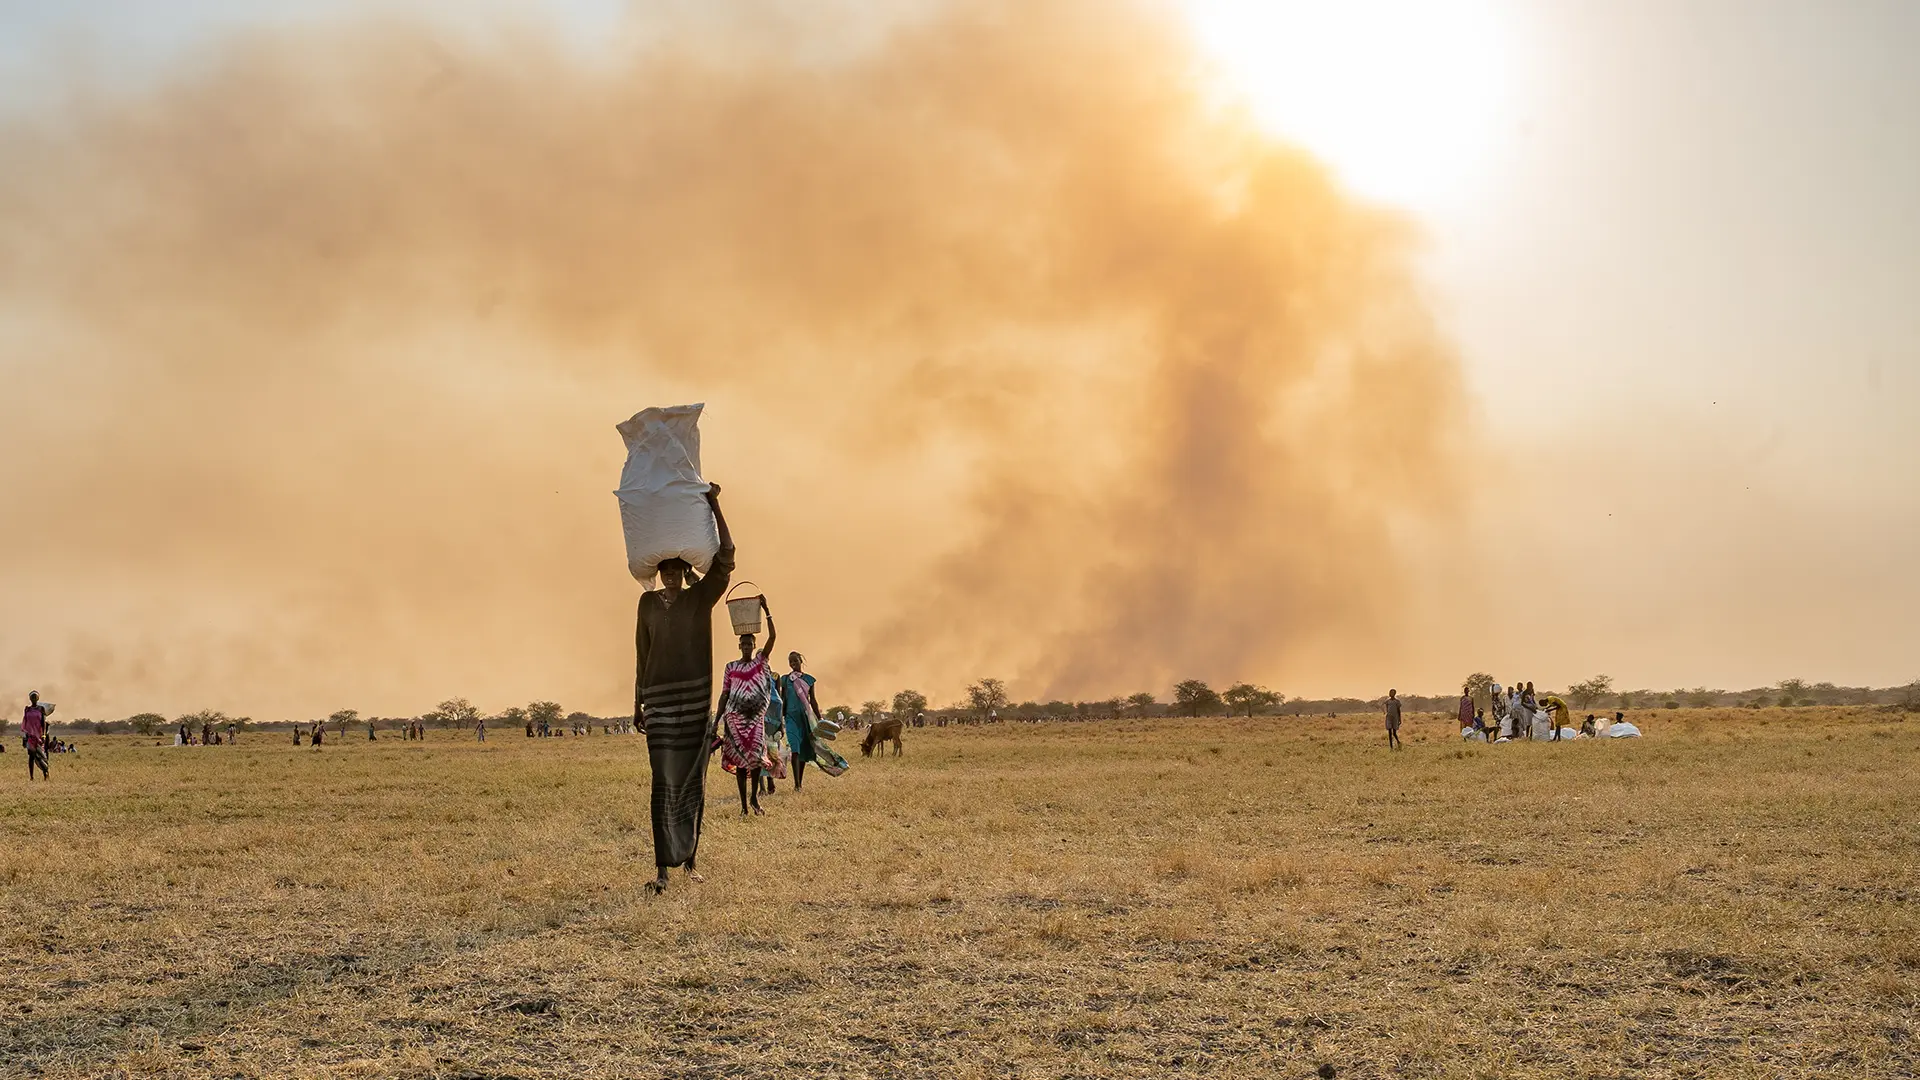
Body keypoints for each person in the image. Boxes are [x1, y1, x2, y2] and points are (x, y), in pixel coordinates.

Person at [634, 483, 734, 895]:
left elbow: (726, 558)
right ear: (659, 575)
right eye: (665, 571)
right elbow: (642, 652)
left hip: (694, 706)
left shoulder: (700, 600)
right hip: (657, 705)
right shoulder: (647, 605)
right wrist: (636, 701)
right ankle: (662, 869)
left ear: (684, 573)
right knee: (663, 782)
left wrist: (714, 503)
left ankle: (690, 862)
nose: (671, 577)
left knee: (693, 781)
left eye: (677, 571)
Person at [718, 601, 778, 815]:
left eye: (749, 644)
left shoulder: (760, 662)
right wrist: (717, 720)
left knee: (756, 760)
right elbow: (724, 694)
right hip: (734, 719)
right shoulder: (731, 667)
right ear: (739, 646)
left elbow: (772, 638)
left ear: (754, 646)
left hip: (755, 720)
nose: (746, 647)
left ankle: (754, 798)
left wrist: (767, 611)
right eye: (742, 644)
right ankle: (744, 805)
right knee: (740, 762)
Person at [778, 652, 823, 791]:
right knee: (795, 749)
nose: (793, 664)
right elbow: (782, 700)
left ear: (800, 661)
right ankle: (796, 784)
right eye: (790, 662)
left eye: (795, 661)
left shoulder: (809, 680)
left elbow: (812, 701)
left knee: (803, 750)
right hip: (790, 718)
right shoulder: (785, 680)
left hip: (805, 718)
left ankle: (799, 783)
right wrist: (780, 719)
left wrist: (819, 719)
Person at [22, 692, 51, 781]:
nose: (34, 699)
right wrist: (24, 737)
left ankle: (45, 773)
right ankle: (31, 777)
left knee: (42, 756)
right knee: (31, 756)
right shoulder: (27, 709)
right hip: (30, 736)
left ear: (38, 699)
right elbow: (25, 722)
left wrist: (43, 735)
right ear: (30, 698)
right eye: (32, 697)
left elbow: (43, 722)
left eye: (35, 697)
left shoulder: (41, 709)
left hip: (39, 735)